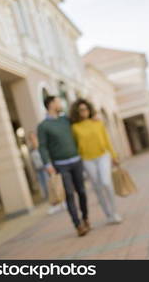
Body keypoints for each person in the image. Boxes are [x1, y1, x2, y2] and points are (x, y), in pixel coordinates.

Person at [38, 96, 90, 237]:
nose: (60, 103)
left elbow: (82, 119)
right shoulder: (43, 126)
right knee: (69, 195)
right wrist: (47, 164)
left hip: (76, 161)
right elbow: (42, 147)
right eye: (58, 101)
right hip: (60, 166)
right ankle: (78, 225)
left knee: (82, 191)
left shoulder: (65, 120)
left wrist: (94, 117)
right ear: (51, 104)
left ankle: (85, 218)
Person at [70, 99, 122, 225]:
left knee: (106, 182)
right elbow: (75, 145)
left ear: (89, 109)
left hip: (103, 155)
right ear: (77, 112)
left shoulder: (98, 123)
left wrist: (114, 156)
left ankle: (115, 212)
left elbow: (106, 140)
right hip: (87, 159)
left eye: (86, 109)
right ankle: (108, 214)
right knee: (97, 188)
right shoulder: (75, 127)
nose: (84, 112)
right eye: (81, 110)